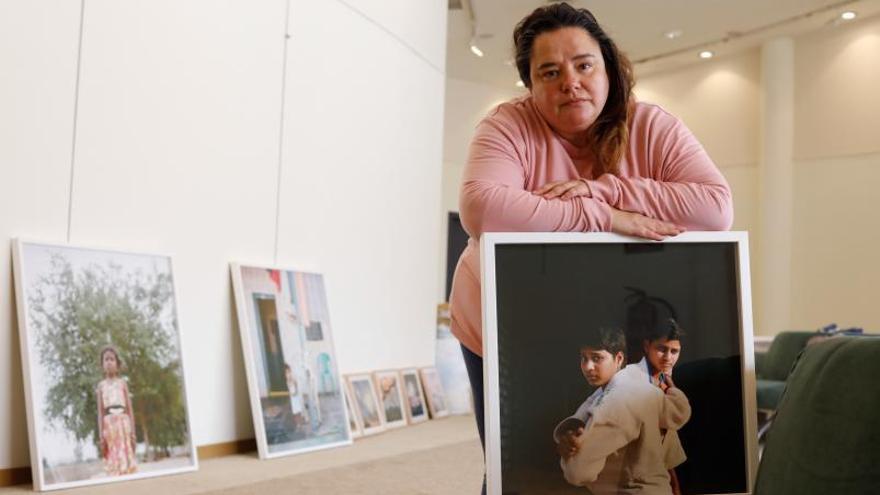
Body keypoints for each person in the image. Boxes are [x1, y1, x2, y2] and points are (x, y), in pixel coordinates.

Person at [448, 3, 732, 490]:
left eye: (583, 65)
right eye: (550, 72)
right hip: (499, 324)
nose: (570, 82)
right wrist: (608, 218)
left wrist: (604, 189)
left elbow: (714, 207)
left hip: (605, 321)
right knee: (513, 465)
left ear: (607, 68)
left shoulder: (652, 125)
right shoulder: (506, 126)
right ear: (530, 86)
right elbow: (484, 213)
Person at [553, 328, 691, 494]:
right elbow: (677, 414)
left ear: (618, 358)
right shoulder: (637, 384)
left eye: (596, 358)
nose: (588, 367)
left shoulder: (618, 398)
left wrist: (569, 459)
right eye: (584, 358)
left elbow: (578, 472)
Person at [637, 317, 688, 495]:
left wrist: (675, 485)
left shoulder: (663, 377)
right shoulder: (635, 380)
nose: (668, 357)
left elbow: (666, 441)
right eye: (662, 349)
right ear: (646, 346)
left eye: (674, 351)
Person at [96, 346, 137, 476]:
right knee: (113, 459)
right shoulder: (101, 386)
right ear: (102, 364)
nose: (109, 362)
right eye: (106, 359)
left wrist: (133, 434)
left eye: (112, 359)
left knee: (126, 458)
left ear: (117, 364)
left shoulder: (122, 383)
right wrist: (102, 436)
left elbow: (130, 410)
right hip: (110, 426)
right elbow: (100, 412)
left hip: (124, 424)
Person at [284, 364, 306, 434]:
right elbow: (288, 388)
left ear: (290, 371)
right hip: (292, 397)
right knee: (295, 412)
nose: (288, 374)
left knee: (298, 410)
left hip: (295, 396)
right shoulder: (286, 380)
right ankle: (298, 424)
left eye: (288, 372)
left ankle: (300, 423)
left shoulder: (292, 378)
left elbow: (295, 384)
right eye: (286, 373)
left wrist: (295, 391)